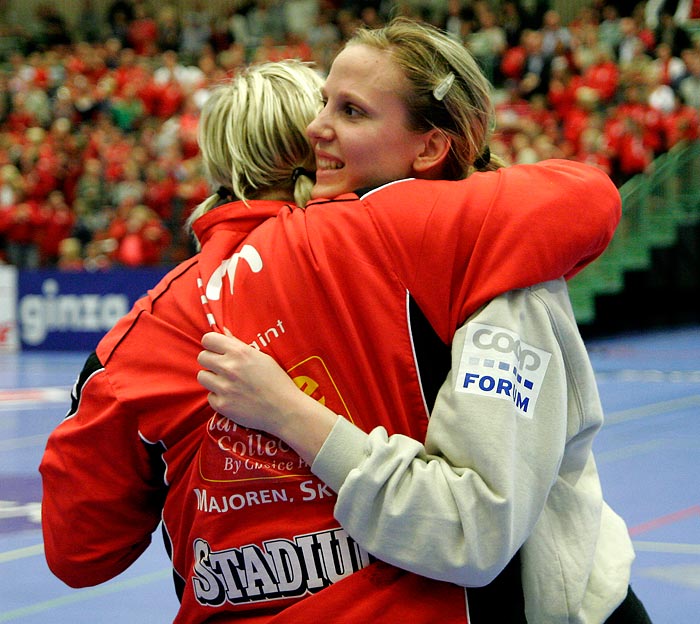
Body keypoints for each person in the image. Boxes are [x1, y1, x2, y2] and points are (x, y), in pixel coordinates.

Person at [40, 20, 623, 624]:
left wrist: (287, 414)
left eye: (351, 111)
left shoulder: (145, 332)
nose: (323, 128)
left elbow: (79, 552)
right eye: (323, 105)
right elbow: (584, 197)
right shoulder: (423, 237)